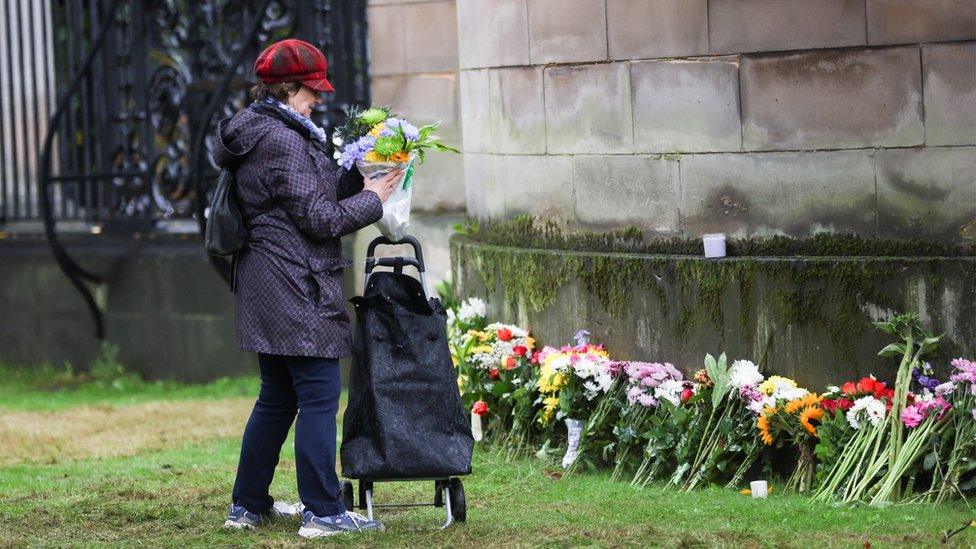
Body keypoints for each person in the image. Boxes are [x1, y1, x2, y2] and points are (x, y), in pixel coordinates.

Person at [212, 38, 401, 538]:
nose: (318, 99)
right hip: (295, 283)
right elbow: (319, 219)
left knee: (276, 396)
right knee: (318, 395)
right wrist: (374, 199)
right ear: (287, 87)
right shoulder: (281, 140)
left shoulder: (264, 130)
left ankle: (246, 506)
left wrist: (358, 174)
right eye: (311, 91)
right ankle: (323, 511)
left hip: (267, 280)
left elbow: (302, 197)